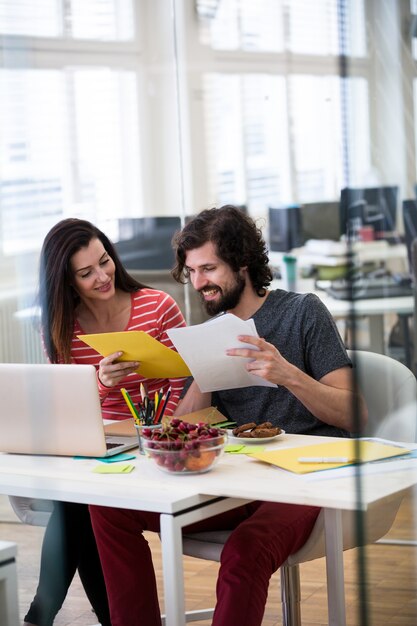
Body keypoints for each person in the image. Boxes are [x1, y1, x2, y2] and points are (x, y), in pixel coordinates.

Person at [89, 205, 368, 626]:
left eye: (209, 269)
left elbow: (356, 415)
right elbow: (180, 427)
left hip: (305, 480)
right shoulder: (210, 331)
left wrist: (289, 374)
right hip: (237, 479)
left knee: (245, 549)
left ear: (242, 263)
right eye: (192, 271)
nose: (199, 283)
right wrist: (202, 372)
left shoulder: (302, 312)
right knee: (107, 507)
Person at [23, 218, 187, 626]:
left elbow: (191, 381)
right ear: (66, 280)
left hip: (154, 443)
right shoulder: (61, 326)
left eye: (105, 261)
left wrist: (162, 429)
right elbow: (66, 406)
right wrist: (97, 382)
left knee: (79, 504)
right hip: (97, 448)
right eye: (86, 272)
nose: (102, 276)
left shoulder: (157, 305)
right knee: (82, 500)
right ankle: (103, 619)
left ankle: (43, 616)